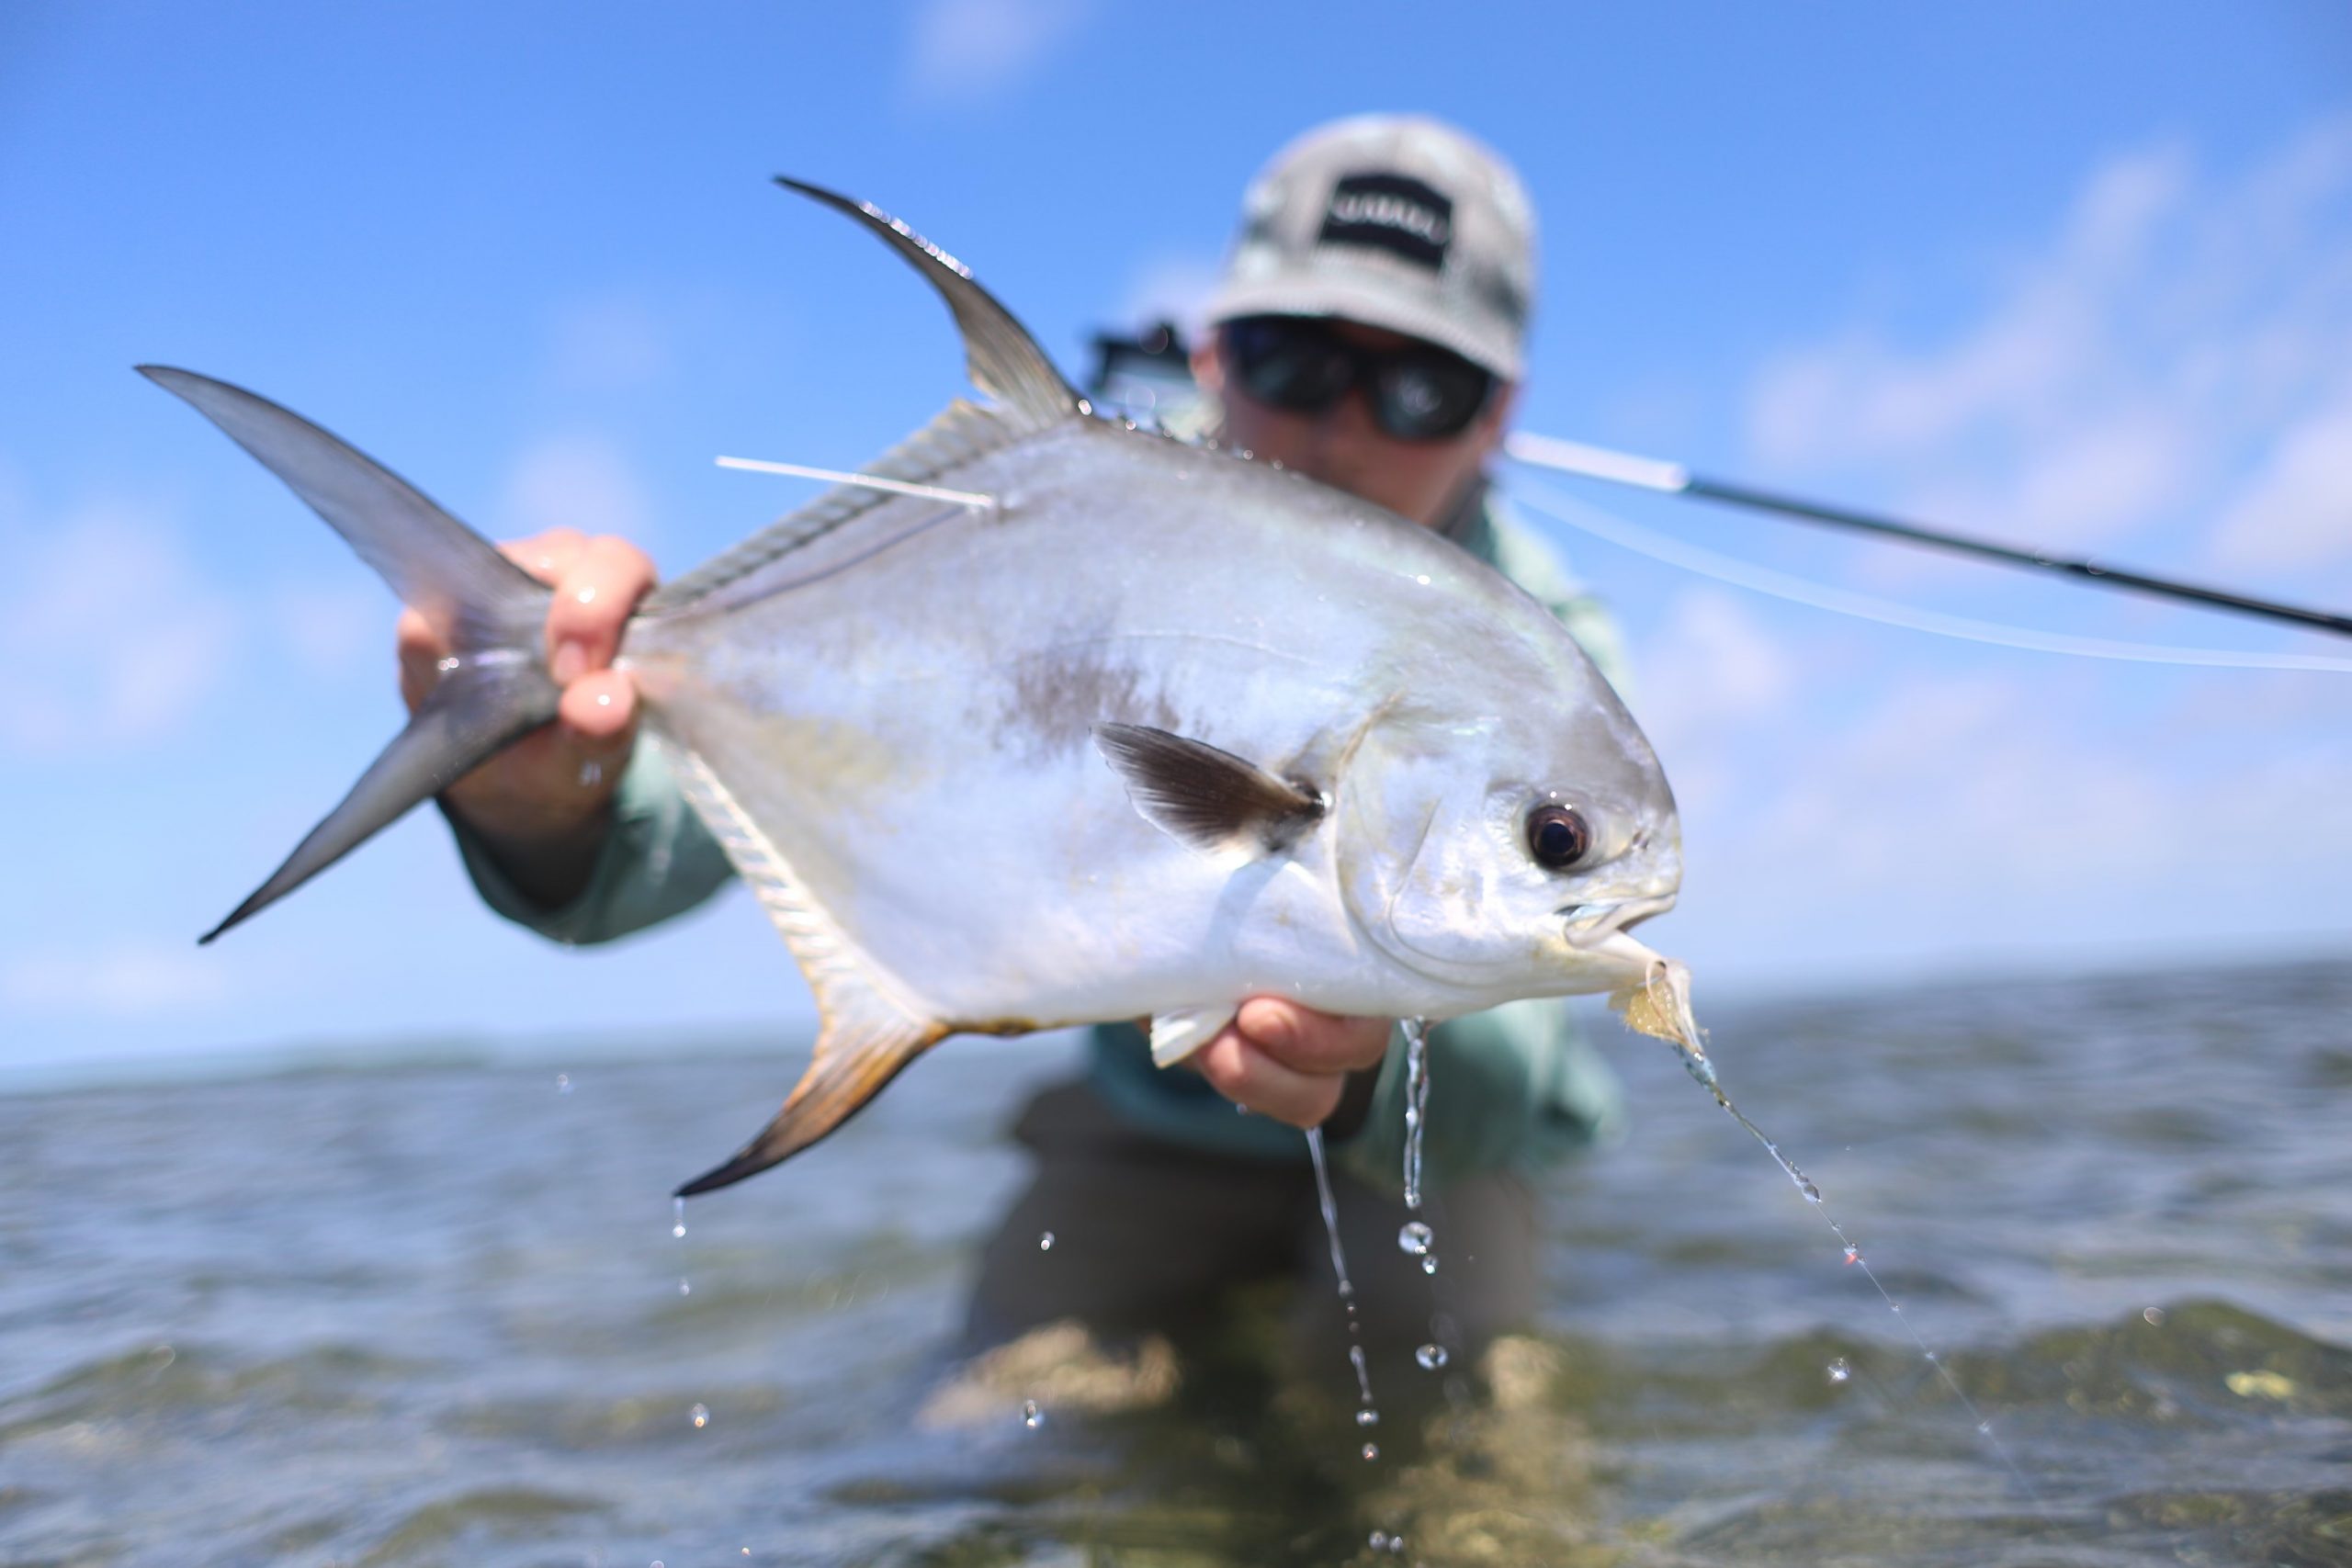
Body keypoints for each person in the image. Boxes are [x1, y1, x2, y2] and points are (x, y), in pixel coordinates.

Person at [397, 116, 1630, 1422]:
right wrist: (540, 789)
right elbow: (644, 861)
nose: (1343, 428)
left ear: (1499, 415)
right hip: (1154, 1126)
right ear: (1213, 357)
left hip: (1430, 1161)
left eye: (1421, 385)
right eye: (1293, 359)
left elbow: (1531, 1055)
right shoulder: (1046, 512)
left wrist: (1369, 1051)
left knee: (1482, 1455)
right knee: (993, 1426)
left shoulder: (1544, 647)